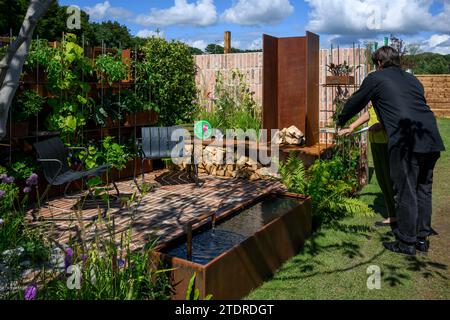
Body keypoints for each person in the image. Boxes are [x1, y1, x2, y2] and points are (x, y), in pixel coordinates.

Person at [336, 46, 445, 256]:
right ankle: (421, 239)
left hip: (406, 141)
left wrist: (341, 120)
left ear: (378, 63)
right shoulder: (412, 80)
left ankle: (406, 242)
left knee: (405, 191)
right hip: (430, 138)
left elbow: (357, 101)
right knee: (423, 189)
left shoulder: (375, 78)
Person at [338, 106, 396, 228]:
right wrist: (352, 126)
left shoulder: (388, 91)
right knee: (382, 179)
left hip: (388, 142)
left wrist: (382, 125)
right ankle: (393, 215)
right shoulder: (377, 94)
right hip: (376, 141)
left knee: (391, 179)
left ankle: (402, 215)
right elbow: (370, 113)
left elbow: (396, 113)